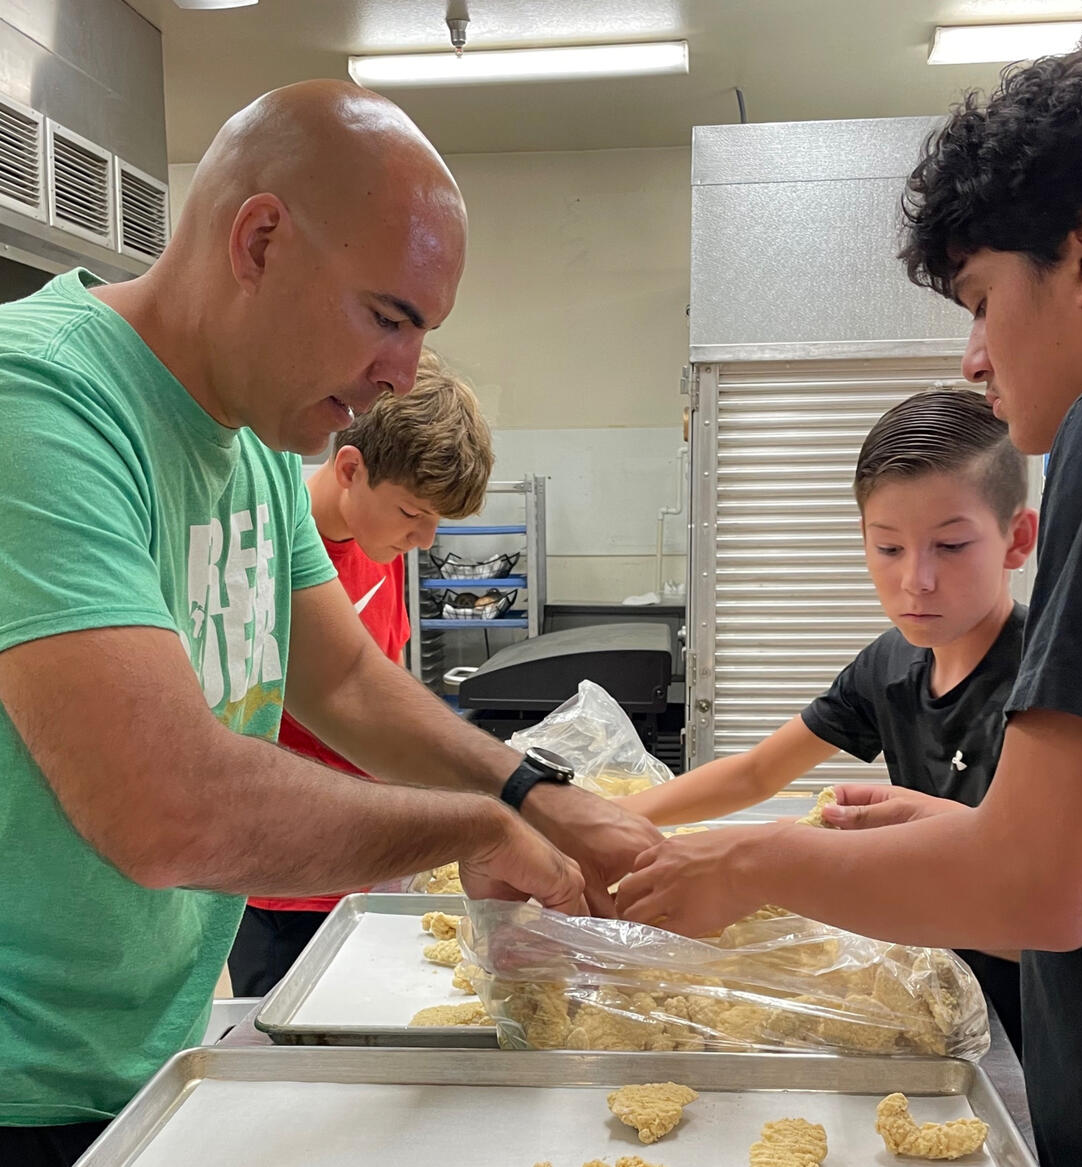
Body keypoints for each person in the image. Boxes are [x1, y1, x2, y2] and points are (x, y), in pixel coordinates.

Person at [0, 81, 659, 1165]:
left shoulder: (256, 443)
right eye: (388, 317)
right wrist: (474, 828)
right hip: (22, 1086)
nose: (402, 373)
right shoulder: (41, 403)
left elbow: (347, 683)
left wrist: (537, 797)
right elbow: (165, 805)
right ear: (258, 240)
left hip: (142, 1050)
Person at [616, 29, 1082, 1167]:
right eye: (888, 548)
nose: (974, 356)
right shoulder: (886, 666)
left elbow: (1045, 890)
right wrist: (963, 831)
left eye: (982, 299)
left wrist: (744, 866)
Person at [618, 388, 1035, 1053]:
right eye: (889, 548)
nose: (917, 579)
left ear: (1018, 539)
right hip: (938, 1008)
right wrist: (606, 820)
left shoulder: (1047, 688)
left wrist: (775, 869)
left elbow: (1045, 912)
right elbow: (756, 772)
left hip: (1033, 1025)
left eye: (951, 545)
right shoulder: (892, 664)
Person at [228, 350, 494, 996]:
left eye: (436, 521)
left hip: (369, 860)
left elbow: (386, 685)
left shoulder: (380, 545)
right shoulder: (262, 554)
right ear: (350, 469)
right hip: (283, 885)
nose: (425, 540)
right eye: (413, 514)